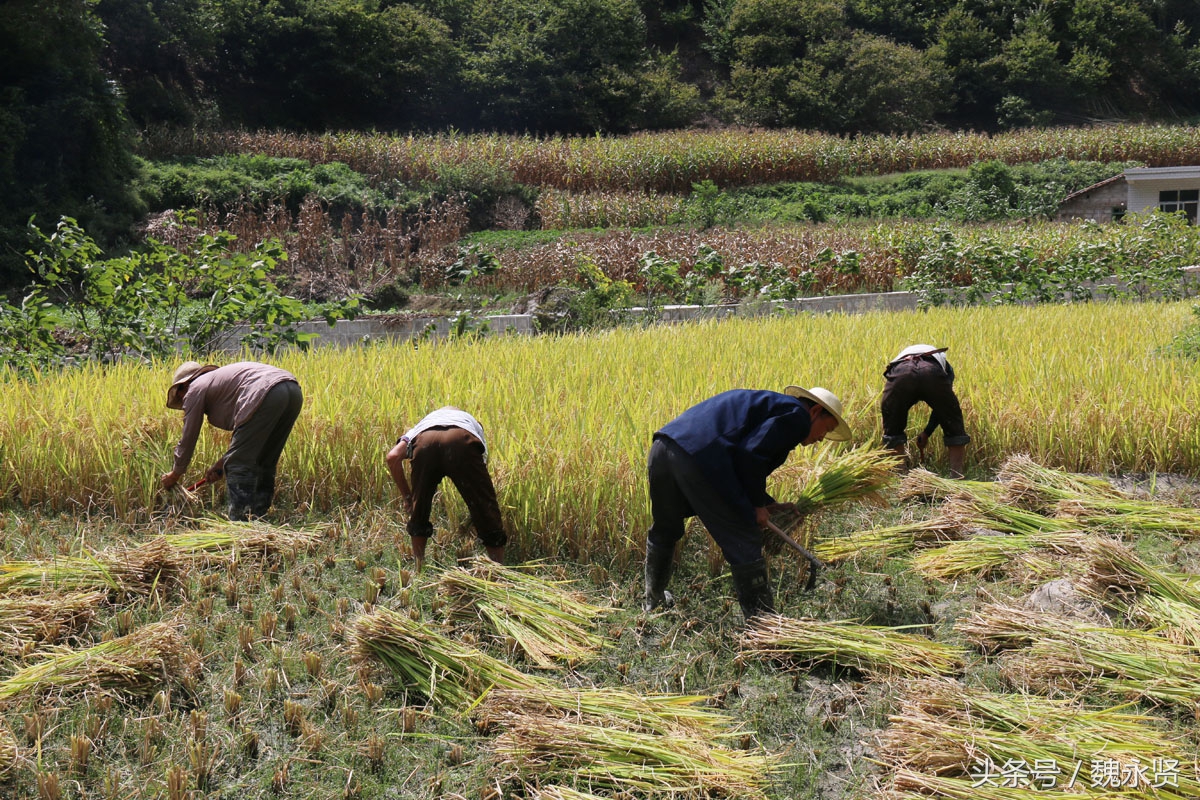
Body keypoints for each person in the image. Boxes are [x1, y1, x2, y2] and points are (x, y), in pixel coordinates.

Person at [643, 385, 851, 620]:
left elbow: (740, 457)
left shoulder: (774, 407)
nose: (822, 438)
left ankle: (654, 601)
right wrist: (756, 507)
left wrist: (765, 502)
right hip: (701, 459)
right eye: (827, 429)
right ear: (815, 411)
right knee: (745, 537)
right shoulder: (798, 417)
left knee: (666, 527)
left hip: (663, 447)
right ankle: (763, 624)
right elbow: (750, 457)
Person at [162, 360, 304, 521]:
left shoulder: (195, 388)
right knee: (264, 460)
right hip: (292, 390)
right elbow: (245, 438)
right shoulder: (220, 382)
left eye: (179, 391)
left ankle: (240, 523)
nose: (181, 397)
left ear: (185, 384)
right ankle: (259, 519)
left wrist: (175, 473)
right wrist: (221, 464)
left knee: (238, 466)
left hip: (264, 391)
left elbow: (189, 434)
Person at [385, 407, 506, 569]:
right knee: (485, 507)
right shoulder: (474, 427)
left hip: (425, 442)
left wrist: (408, 497)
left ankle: (418, 566)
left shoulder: (420, 426)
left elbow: (392, 457)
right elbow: (480, 485)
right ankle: (498, 568)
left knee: (419, 507)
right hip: (461, 440)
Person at [880, 344, 970, 478]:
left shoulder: (900, 360)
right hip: (931, 371)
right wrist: (928, 431)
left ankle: (900, 477)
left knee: (892, 429)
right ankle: (957, 476)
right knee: (953, 424)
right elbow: (943, 409)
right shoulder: (945, 366)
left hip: (901, 374)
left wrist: (927, 432)